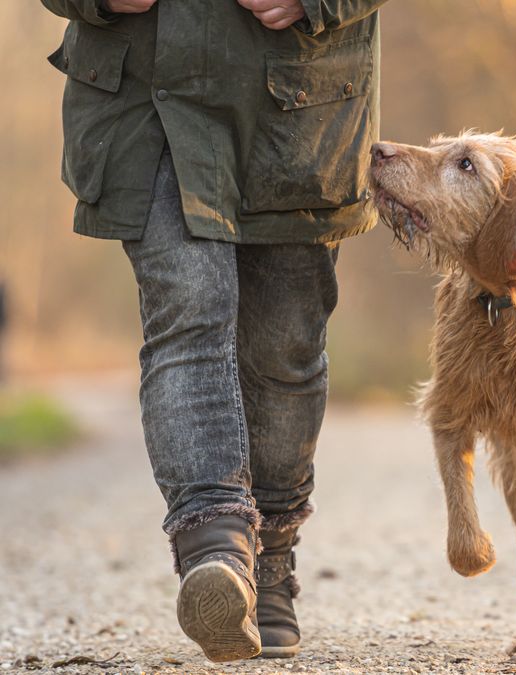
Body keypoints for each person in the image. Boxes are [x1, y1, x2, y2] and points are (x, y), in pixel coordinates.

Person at [41, 0, 390, 662]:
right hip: (149, 100)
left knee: (284, 346)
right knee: (187, 308)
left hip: (298, 105)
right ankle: (215, 545)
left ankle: (270, 562)